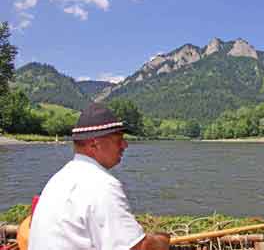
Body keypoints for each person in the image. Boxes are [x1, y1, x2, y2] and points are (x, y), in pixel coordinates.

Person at [28, 103, 170, 250]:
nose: (125, 145)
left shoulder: (59, 178)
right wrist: (162, 240)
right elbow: (139, 248)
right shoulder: (101, 184)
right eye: (119, 140)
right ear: (95, 144)